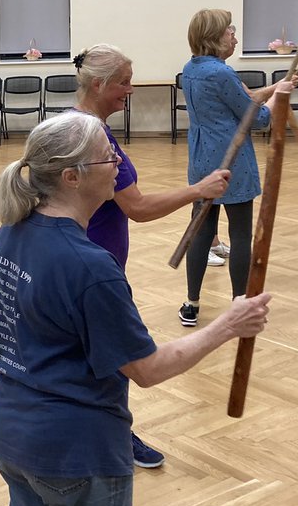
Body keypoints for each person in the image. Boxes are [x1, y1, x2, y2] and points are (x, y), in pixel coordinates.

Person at [0, 113, 272, 506]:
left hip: (15, 437)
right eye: (107, 156)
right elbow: (147, 368)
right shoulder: (90, 266)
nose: (118, 163)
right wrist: (227, 325)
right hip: (78, 453)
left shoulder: (11, 235)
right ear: (71, 176)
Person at [72, 42, 231, 469]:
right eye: (124, 83)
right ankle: (115, 437)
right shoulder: (93, 137)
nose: (130, 90)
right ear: (101, 83)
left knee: (88, 355)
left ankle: (99, 433)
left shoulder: (69, 124)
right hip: (95, 269)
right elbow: (138, 208)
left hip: (82, 264)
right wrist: (198, 190)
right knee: (119, 357)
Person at [181, 9, 294, 328]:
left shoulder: (191, 69)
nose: (234, 34)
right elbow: (255, 119)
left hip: (202, 157)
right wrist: (280, 97)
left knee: (201, 231)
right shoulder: (221, 73)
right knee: (241, 233)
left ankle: (191, 303)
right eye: (229, 30)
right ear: (213, 38)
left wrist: (275, 88)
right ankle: (238, 304)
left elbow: (242, 101)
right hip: (229, 158)